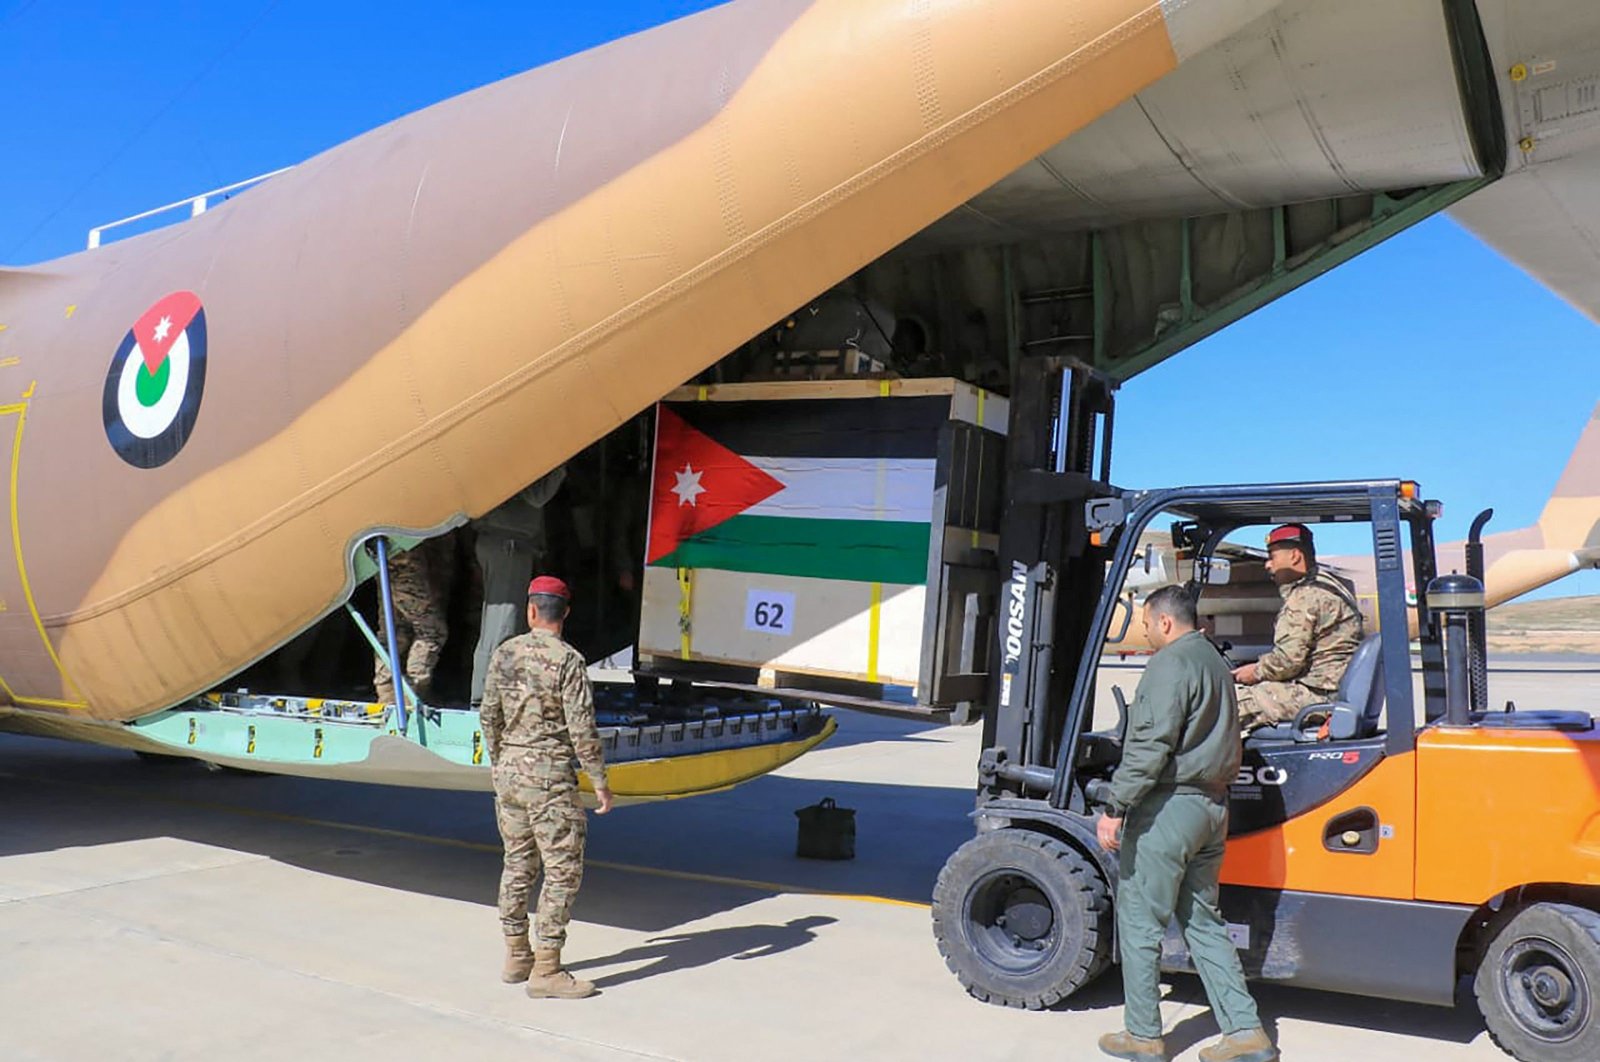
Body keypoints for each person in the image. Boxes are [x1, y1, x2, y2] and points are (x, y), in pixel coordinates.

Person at [1097, 585, 1277, 1062]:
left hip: (1168, 809)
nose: (1145, 632)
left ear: (1164, 623)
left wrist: (1116, 807)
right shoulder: (1215, 664)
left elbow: (1150, 744)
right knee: (1201, 920)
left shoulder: (1170, 664)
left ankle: (1142, 1034)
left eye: (1146, 624)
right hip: (1212, 809)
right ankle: (1244, 1031)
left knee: (1139, 921)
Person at [480, 575, 614, 1000]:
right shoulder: (568, 660)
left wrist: (503, 758)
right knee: (561, 872)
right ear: (566, 613)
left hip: (511, 774)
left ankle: (516, 953)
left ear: (531, 611)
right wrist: (599, 781)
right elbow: (582, 728)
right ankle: (547, 969)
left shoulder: (504, 652)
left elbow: (488, 715)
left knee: (517, 863)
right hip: (551, 777)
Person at [1233, 523, 1364, 734]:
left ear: (1294, 556)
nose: (1268, 565)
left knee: (1226, 703)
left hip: (1318, 697)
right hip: (1331, 691)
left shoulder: (1305, 596)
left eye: (1272, 557)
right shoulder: (1329, 584)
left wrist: (1255, 671)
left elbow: (1288, 661)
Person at [471, 466, 567, 705]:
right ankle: (485, 699)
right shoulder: (516, 451)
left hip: (507, 541)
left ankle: (489, 696)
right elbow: (537, 495)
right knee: (502, 627)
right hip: (507, 543)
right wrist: (561, 460)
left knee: (502, 624)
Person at [373, 534, 454, 705]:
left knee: (393, 631)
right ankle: (413, 692)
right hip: (404, 564)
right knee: (431, 632)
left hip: (381, 560)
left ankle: (386, 692)